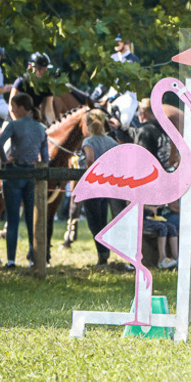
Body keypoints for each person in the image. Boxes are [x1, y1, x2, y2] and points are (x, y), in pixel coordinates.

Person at [0, 93, 49, 268]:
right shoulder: (41, 128)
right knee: (31, 218)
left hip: (14, 173)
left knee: (13, 219)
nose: (12, 111)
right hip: (32, 173)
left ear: (19, 107)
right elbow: (46, 158)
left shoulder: (14, 124)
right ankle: (34, 258)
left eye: (13, 108)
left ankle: (11, 260)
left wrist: (4, 159)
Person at [80, 109, 120, 266]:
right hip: (107, 188)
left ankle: (103, 254)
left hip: (92, 187)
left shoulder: (88, 142)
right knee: (102, 219)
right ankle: (104, 253)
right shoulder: (111, 142)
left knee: (93, 222)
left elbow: (90, 161)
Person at [91, 35, 140, 128]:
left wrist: (113, 97)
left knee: (124, 121)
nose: (115, 43)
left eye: (118, 41)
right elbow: (105, 80)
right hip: (111, 95)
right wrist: (96, 94)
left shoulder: (133, 60)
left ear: (126, 43)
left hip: (127, 96)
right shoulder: (112, 58)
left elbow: (127, 83)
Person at [10, 52, 55, 123]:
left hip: (34, 121)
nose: (43, 72)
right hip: (15, 119)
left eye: (45, 69)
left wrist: (53, 125)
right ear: (30, 67)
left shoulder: (47, 86)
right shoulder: (20, 82)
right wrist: (18, 125)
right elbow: (11, 107)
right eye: (40, 69)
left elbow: (49, 110)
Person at [131, 98, 172, 167]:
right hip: (165, 171)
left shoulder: (144, 132)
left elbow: (142, 160)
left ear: (142, 114)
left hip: (153, 174)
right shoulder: (164, 130)